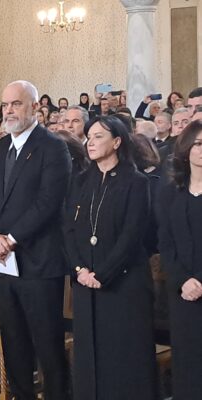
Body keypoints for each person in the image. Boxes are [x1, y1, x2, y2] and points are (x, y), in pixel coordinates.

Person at [0, 80, 71, 400]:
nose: (9, 111)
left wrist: (12, 238)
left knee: (47, 344)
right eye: (5, 105)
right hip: (4, 262)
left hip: (39, 261)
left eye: (16, 104)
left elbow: (48, 202)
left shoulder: (52, 146)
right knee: (14, 341)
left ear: (34, 107)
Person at [63, 116, 157, 400]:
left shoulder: (136, 182)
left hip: (122, 284)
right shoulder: (80, 180)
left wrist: (101, 274)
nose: (90, 143)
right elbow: (68, 229)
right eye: (88, 137)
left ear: (117, 142)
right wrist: (80, 269)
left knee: (123, 357)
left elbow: (132, 235)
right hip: (85, 283)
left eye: (98, 137)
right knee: (90, 357)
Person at [158, 120, 202, 399]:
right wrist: (183, 280)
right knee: (187, 361)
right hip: (182, 290)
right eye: (198, 144)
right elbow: (165, 242)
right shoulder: (170, 192)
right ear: (186, 149)